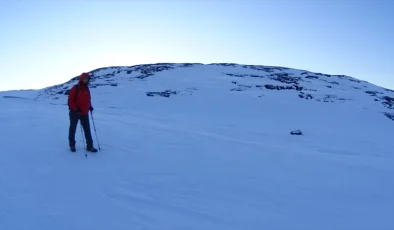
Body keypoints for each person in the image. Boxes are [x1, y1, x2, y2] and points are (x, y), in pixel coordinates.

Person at [67, 72, 98, 152]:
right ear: (81, 79)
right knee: (73, 128)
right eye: (85, 79)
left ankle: (90, 146)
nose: (86, 80)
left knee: (87, 129)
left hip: (84, 113)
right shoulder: (75, 88)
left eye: (87, 79)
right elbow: (70, 100)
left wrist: (89, 106)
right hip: (75, 113)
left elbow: (88, 100)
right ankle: (72, 145)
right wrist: (75, 109)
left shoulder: (87, 89)